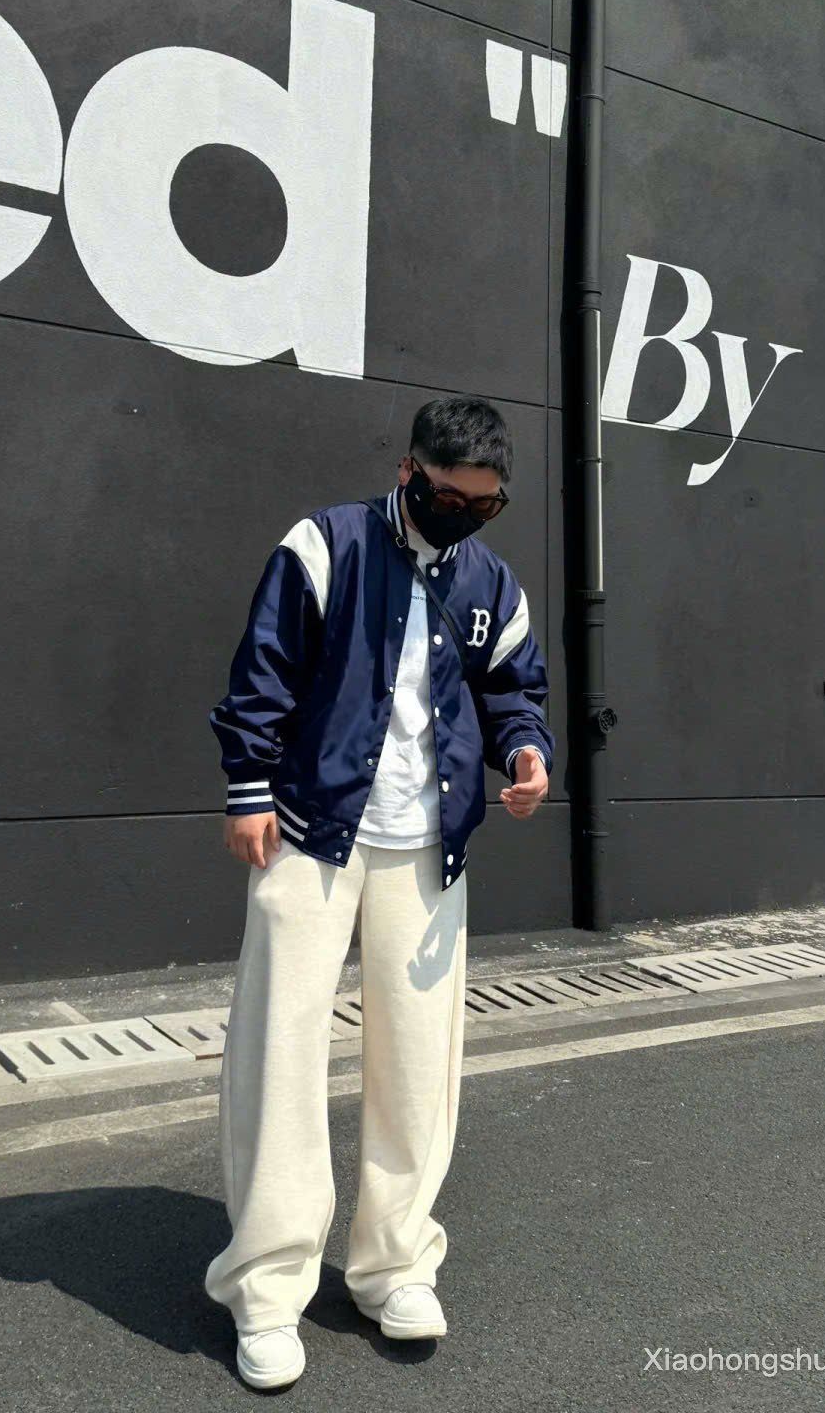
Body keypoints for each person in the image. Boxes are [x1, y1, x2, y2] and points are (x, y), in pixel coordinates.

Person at [203, 393, 556, 1390]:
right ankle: (265, 1289)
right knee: (279, 1058)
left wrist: (525, 751)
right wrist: (248, 788)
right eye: (454, 498)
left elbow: (511, 686)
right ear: (412, 474)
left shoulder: (492, 582)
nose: (470, 516)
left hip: (428, 849)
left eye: (488, 506)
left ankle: (394, 1264)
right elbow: (264, 667)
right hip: (312, 835)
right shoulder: (327, 546)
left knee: (418, 1066)